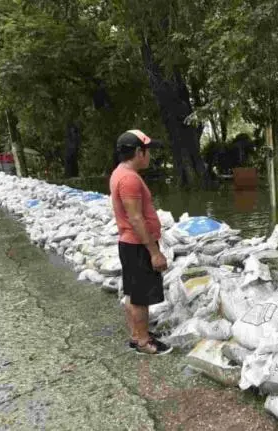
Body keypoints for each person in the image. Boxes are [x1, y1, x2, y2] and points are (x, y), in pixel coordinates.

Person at [109, 129, 172, 355]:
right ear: (138, 152)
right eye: (147, 151)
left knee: (134, 293)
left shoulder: (120, 173)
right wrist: (154, 252)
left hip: (130, 244)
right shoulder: (129, 179)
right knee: (141, 298)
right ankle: (143, 342)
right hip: (137, 245)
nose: (149, 156)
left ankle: (137, 334)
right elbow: (136, 218)